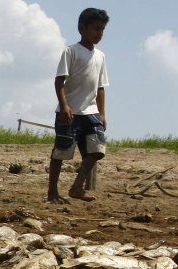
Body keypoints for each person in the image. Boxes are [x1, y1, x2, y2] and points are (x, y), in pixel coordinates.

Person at [48, 8, 109, 204]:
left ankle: (77, 186)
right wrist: (64, 105)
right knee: (61, 152)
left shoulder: (100, 56)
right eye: (95, 28)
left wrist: (102, 114)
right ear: (81, 28)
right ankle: (52, 193)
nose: (99, 33)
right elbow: (59, 81)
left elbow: (100, 88)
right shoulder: (71, 51)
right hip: (71, 111)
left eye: (102, 29)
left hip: (91, 112)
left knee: (96, 150)